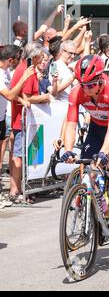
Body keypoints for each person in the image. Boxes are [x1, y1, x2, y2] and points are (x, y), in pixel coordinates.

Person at [60, 55, 109, 225]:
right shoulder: (76, 92)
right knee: (86, 167)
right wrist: (68, 150)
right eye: (83, 85)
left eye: (91, 85)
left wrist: (103, 153)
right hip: (97, 124)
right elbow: (71, 124)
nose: (87, 90)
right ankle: (99, 198)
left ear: (101, 79)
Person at [9, 43, 52, 204]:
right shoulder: (25, 71)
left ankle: (20, 189)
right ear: (34, 57)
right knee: (19, 156)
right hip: (23, 121)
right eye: (41, 57)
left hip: (28, 120)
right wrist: (45, 97)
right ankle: (16, 190)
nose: (43, 60)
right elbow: (26, 97)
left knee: (26, 156)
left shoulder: (28, 70)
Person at [0, 45, 34, 207]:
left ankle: (11, 190)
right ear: (10, 60)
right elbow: (10, 94)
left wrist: (22, 100)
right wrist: (24, 77)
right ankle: (12, 190)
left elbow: (14, 96)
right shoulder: (0, 73)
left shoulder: (6, 71)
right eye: (16, 59)